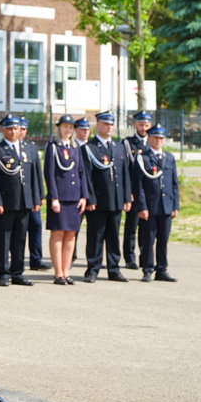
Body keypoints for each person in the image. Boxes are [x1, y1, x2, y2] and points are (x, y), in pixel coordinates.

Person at [0, 114, 43, 287]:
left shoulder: (29, 148)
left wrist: (37, 198)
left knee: (20, 239)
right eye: (9, 128)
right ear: (3, 131)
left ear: (20, 130)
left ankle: (17, 272)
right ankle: (2, 273)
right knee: (3, 239)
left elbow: (35, 175)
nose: (13, 131)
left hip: (24, 201)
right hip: (5, 202)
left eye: (16, 128)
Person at [81, 111, 131, 283]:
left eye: (111, 124)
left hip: (116, 199)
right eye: (105, 124)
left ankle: (114, 269)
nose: (109, 127)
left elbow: (125, 174)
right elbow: (87, 176)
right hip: (98, 201)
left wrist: (127, 197)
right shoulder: (89, 148)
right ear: (98, 125)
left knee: (113, 236)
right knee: (95, 236)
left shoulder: (119, 147)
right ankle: (93, 269)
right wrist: (90, 199)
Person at [43, 115, 88, 285]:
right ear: (59, 128)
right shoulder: (53, 147)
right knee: (57, 234)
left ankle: (67, 271)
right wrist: (54, 197)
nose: (67, 130)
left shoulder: (76, 148)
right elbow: (50, 174)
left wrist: (84, 196)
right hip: (60, 198)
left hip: (74, 197)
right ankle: (58, 273)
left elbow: (82, 173)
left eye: (70, 127)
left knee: (71, 236)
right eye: (65, 127)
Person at [132, 124, 179, 283]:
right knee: (148, 240)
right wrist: (142, 207)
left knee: (163, 240)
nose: (158, 141)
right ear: (149, 138)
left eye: (161, 138)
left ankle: (162, 269)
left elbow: (174, 184)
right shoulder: (142, 158)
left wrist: (175, 205)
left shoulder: (169, 158)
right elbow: (138, 186)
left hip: (166, 205)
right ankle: (147, 269)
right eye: (155, 137)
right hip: (150, 207)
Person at [122, 110, 152, 270]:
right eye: (141, 124)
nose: (144, 128)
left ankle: (144, 257)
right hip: (134, 192)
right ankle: (129, 258)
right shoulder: (128, 143)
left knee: (146, 228)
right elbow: (125, 170)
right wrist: (128, 192)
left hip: (147, 194)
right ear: (135, 125)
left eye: (146, 125)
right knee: (131, 227)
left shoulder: (152, 143)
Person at [20, 116, 52, 271]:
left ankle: (36, 259)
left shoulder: (31, 147)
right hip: (15, 198)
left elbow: (37, 173)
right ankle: (13, 261)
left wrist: (40, 196)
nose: (21, 132)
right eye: (19, 128)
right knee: (16, 231)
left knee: (36, 226)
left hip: (31, 196)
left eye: (24, 129)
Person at [72, 117, 92, 261]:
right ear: (76, 130)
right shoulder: (72, 147)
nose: (85, 132)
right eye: (82, 129)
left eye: (87, 129)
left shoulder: (92, 147)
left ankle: (92, 258)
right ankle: (71, 256)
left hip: (92, 195)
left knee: (93, 230)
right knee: (74, 227)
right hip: (76, 193)